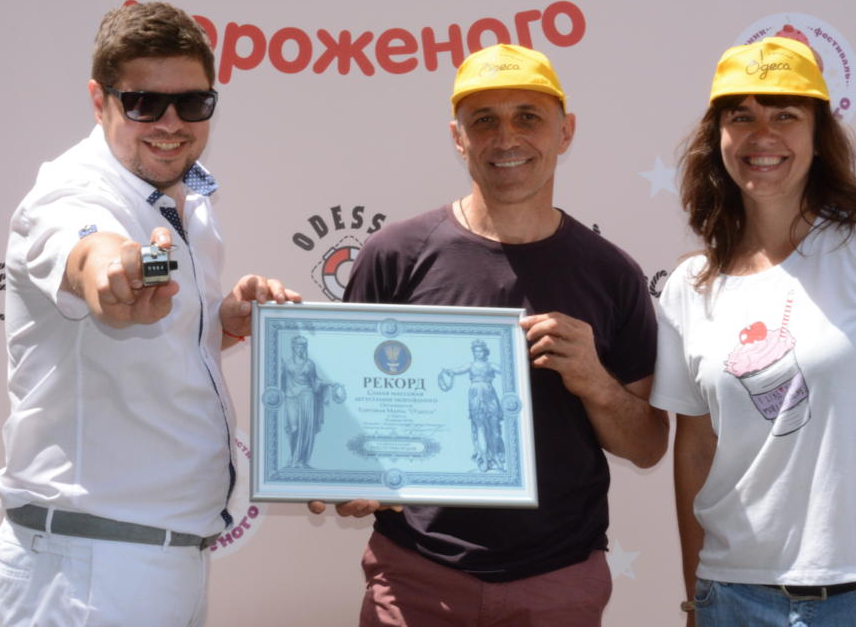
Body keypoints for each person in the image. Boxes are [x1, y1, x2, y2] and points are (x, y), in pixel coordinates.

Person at [310, 43, 669, 627]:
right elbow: (347, 410)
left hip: (558, 580)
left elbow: (649, 446)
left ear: (565, 131)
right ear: (458, 138)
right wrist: (347, 472)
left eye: (528, 116)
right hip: (416, 574)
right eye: (484, 121)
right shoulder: (396, 254)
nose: (506, 138)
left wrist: (595, 382)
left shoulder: (611, 272)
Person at [0, 1, 298, 627]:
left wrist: (222, 321)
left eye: (192, 103)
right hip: (91, 566)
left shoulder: (187, 197)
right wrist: (109, 271)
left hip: (154, 555)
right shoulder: (72, 191)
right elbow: (90, 252)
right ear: (98, 101)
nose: (170, 123)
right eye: (143, 103)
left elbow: (157, 328)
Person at [651, 36, 856, 626]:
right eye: (741, 117)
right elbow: (696, 450)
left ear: (818, 134)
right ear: (717, 138)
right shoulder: (689, 287)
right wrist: (694, 597)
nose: (762, 136)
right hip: (735, 598)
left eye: (785, 115)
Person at [441, 339, 506, 472]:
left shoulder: (491, 365)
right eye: (475, 351)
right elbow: (457, 370)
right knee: (480, 428)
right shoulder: (470, 365)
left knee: (495, 430)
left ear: (485, 352)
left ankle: (496, 457)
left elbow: (508, 372)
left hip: (489, 394)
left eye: (480, 351)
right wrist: (448, 370)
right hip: (475, 395)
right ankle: (485, 459)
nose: (478, 353)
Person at [282, 335, 332, 469]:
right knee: (294, 428)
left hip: (307, 396)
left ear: (305, 348)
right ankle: (293, 457)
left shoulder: (310, 365)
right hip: (290, 397)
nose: (300, 350)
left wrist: (328, 384)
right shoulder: (287, 363)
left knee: (306, 429)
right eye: (297, 347)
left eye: (302, 347)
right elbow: (282, 381)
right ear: (293, 348)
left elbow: (315, 383)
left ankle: (301, 461)